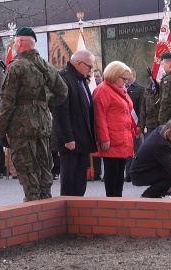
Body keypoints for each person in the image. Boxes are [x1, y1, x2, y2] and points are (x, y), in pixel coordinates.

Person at [0, 26, 68, 201]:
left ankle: (33, 208)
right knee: (44, 168)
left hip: (21, 128)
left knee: (27, 170)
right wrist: (42, 105)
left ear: (19, 42)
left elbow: (7, 101)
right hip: (42, 125)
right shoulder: (46, 65)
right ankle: (46, 206)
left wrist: (0, 130)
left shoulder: (16, 66)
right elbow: (62, 92)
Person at [52, 50, 97, 196]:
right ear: (78, 63)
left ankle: (78, 206)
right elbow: (61, 112)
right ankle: (67, 207)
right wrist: (68, 138)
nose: (90, 70)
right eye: (89, 66)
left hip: (83, 137)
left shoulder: (80, 78)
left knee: (80, 177)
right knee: (69, 177)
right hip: (71, 139)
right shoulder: (64, 78)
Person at [92, 61, 134, 197]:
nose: (126, 82)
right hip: (111, 138)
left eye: (127, 79)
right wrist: (103, 138)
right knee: (112, 172)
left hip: (122, 136)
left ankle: (118, 200)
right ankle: (112, 201)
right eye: (124, 79)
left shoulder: (120, 90)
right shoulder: (104, 90)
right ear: (114, 75)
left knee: (119, 172)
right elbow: (99, 116)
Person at [124, 68, 145, 182]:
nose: (126, 77)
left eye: (129, 74)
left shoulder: (140, 89)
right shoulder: (120, 88)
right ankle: (128, 174)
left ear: (134, 76)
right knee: (126, 151)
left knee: (138, 151)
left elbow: (142, 108)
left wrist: (140, 125)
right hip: (124, 125)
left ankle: (138, 174)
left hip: (136, 124)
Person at [90, 68, 103, 181]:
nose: (95, 78)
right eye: (94, 77)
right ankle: (94, 172)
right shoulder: (90, 87)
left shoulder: (103, 89)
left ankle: (101, 172)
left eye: (98, 76)